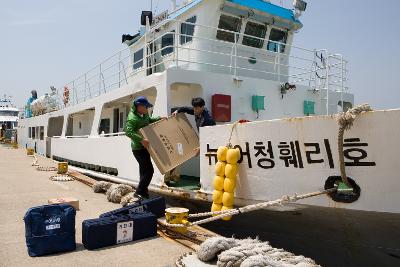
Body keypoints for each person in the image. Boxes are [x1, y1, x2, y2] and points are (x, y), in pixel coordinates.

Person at [124, 96, 163, 199]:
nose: (147, 109)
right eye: (146, 107)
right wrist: (141, 139)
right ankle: (138, 192)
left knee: (143, 171)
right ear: (139, 106)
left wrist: (159, 118)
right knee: (149, 170)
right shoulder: (132, 118)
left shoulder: (144, 114)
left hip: (146, 148)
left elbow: (149, 120)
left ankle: (144, 193)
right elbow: (128, 132)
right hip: (138, 149)